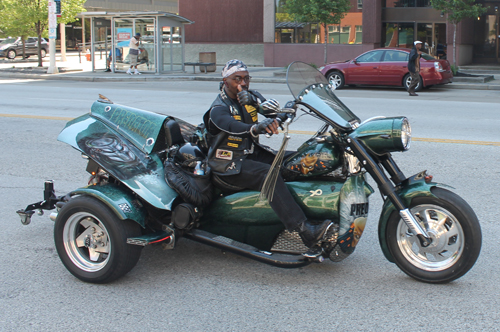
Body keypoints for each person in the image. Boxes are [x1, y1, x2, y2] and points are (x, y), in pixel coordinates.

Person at [203, 59, 332, 254]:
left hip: (251, 155)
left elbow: (270, 110)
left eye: (246, 78)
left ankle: (321, 209)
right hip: (227, 164)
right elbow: (233, 127)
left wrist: (284, 112)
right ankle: (305, 231)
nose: (243, 83)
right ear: (225, 80)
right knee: (267, 174)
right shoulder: (218, 109)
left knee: (297, 160)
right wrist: (256, 127)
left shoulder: (250, 97)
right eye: (237, 79)